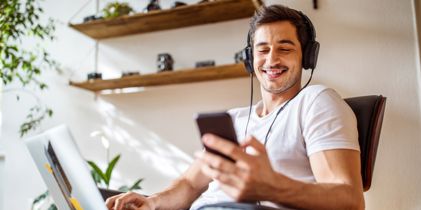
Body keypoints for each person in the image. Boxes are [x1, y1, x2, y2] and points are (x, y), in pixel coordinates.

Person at [106, 4, 365, 210]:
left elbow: (349, 200)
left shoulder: (316, 102)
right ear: (250, 59)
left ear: (307, 56)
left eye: (285, 48)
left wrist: (271, 187)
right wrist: (151, 202)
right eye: (262, 50)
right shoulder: (234, 118)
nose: (271, 59)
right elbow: (189, 184)